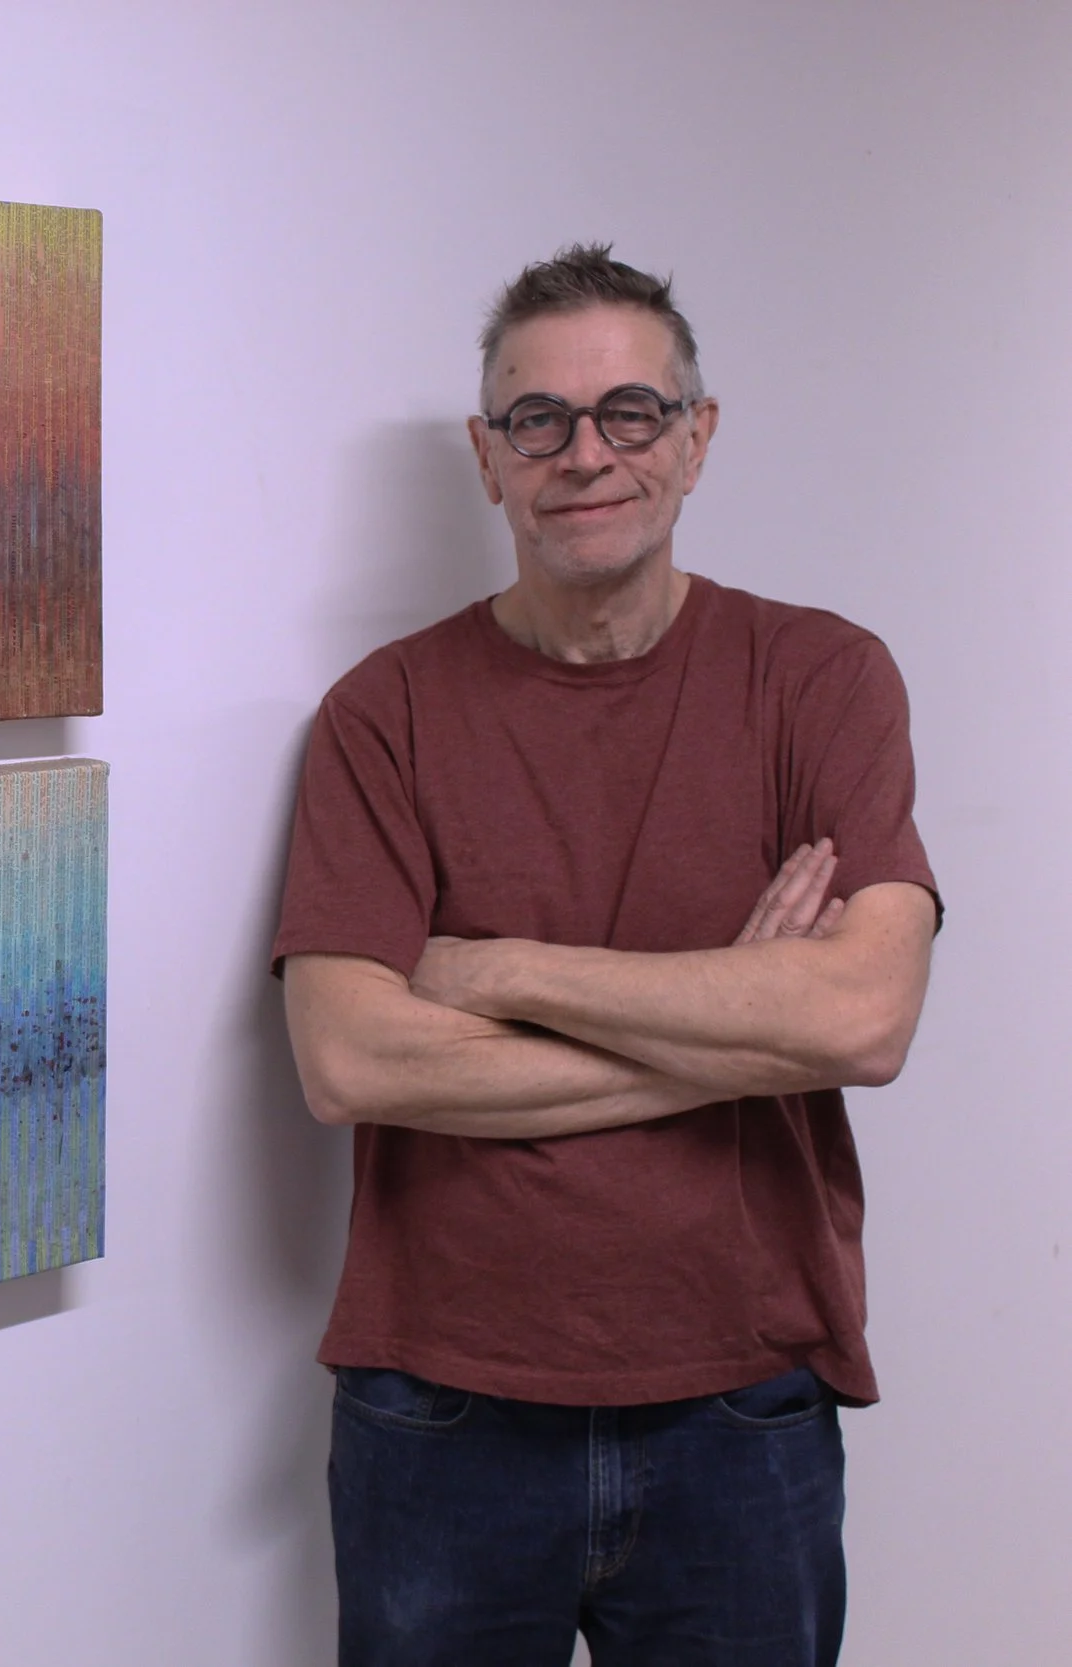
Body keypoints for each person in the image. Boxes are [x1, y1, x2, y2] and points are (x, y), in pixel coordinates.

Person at [269, 245, 940, 1666]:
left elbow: (866, 1018)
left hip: (744, 1397)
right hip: (440, 1403)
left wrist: (499, 969)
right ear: (486, 457)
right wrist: (738, 1028)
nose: (587, 454)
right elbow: (349, 1057)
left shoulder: (821, 678)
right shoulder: (381, 712)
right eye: (540, 421)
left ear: (697, 441)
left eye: (631, 413)